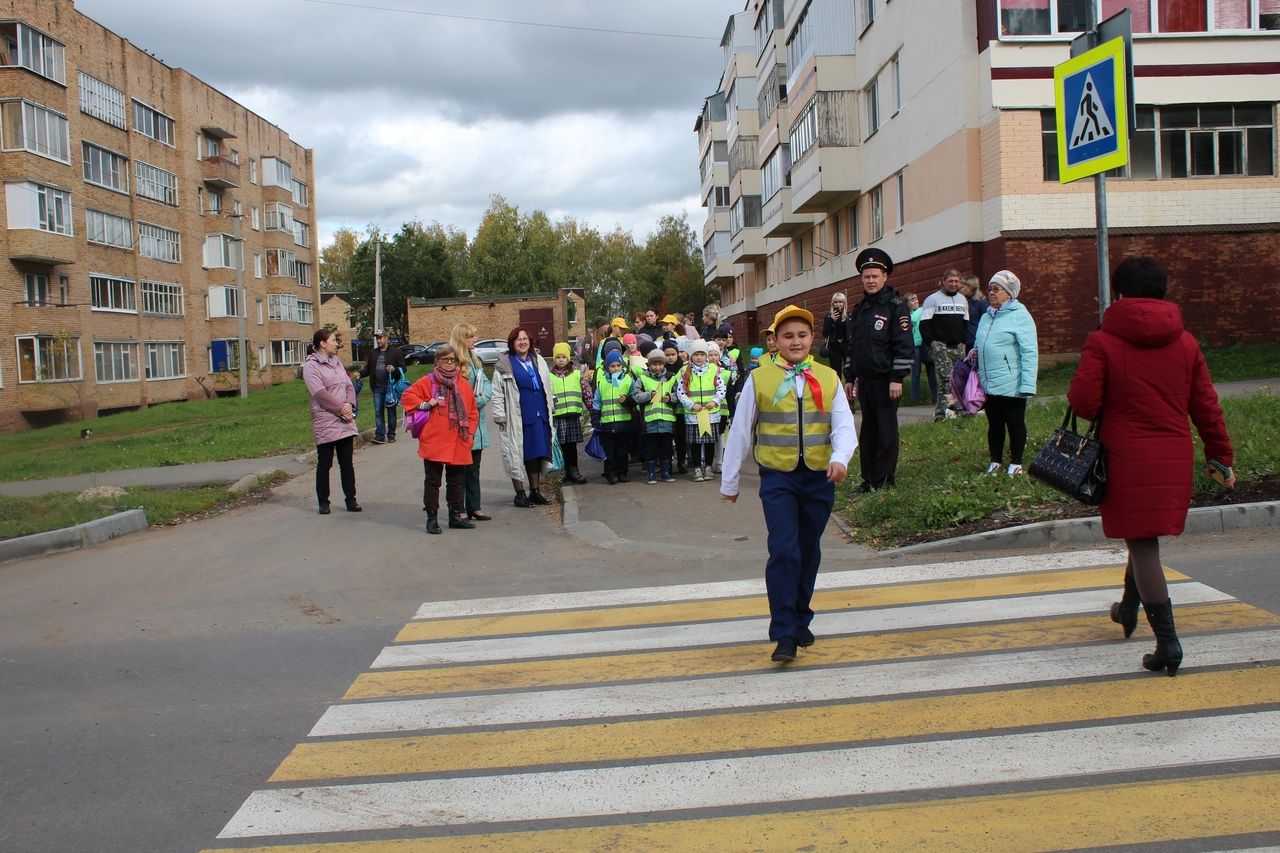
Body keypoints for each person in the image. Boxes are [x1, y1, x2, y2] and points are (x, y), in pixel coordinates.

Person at [1067, 258, 1234, 676]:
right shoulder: (1186, 343)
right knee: (1141, 537)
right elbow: (1206, 407)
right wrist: (1221, 458)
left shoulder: (1103, 341)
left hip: (1125, 455)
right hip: (1174, 452)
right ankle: (1127, 608)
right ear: (1163, 291)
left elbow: (1084, 403)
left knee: (1142, 543)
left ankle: (1168, 645)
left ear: (1120, 293)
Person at [720, 305, 856, 663]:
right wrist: (730, 481)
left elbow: (843, 425)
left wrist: (840, 458)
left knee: (808, 549)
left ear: (812, 339)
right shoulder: (760, 378)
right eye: (787, 335)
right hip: (778, 476)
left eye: (802, 335)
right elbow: (740, 429)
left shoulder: (827, 377)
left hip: (818, 476)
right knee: (784, 549)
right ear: (775, 341)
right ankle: (783, 633)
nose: (795, 341)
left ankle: (800, 617)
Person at [844, 248, 914, 492]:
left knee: (886, 431)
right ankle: (868, 479)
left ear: (885, 277)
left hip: (886, 381)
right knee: (868, 433)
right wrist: (850, 377)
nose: (870, 280)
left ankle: (885, 480)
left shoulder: (896, 308)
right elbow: (853, 346)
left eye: (875, 276)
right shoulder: (860, 309)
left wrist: (897, 378)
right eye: (866, 276)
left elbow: (904, 346)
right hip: (865, 381)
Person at [402, 344, 479, 534]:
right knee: (433, 481)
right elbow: (407, 396)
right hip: (434, 440)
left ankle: (455, 516)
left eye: (453, 360)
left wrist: (470, 434)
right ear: (437, 361)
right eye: (446, 359)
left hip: (459, 441)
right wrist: (425, 404)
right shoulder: (428, 381)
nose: (450, 363)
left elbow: (472, 412)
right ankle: (432, 518)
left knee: (455, 481)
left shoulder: (463, 384)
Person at [974, 271, 1039, 476]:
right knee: (994, 423)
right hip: (989, 381)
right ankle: (995, 461)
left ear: (1009, 294)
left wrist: (1028, 384)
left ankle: (1016, 463)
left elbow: (1029, 352)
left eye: (996, 289)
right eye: (990, 289)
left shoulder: (1020, 316)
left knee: (1015, 422)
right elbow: (980, 344)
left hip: (1012, 381)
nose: (991, 293)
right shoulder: (986, 316)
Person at [491, 327, 556, 507]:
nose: (522, 342)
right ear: (512, 343)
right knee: (517, 454)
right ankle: (519, 494)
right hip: (517, 416)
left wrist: (551, 406)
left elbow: (547, 386)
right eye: (518, 339)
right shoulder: (505, 365)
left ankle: (535, 491)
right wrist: (500, 416)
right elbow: (497, 393)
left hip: (539, 415)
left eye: (525, 339)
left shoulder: (538, 360)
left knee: (535, 453)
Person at [302, 328, 360, 515]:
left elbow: (349, 386)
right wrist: (341, 409)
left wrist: (349, 404)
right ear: (322, 343)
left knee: (347, 463)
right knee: (325, 463)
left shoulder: (337, 362)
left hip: (344, 419)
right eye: (333, 340)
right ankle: (323, 502)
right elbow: (320, 393)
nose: (336, 343)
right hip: (326, 419)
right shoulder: (311, 366)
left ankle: (351, 500)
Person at [450, 323, 493, 521]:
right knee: (460, 470)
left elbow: (486, 384)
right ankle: (457, 508)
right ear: (461, 338)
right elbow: (458, 396)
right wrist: (481, 400)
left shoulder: (474, 360)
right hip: (463, 425)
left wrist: (485, 396)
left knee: (474, 469)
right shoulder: (454, 363)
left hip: (477, 424)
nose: (475, 339)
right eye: (471, 337)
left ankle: (474, 506)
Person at [919, 268, 970, 421]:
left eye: (956, 281)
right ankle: (942, 413)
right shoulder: (932, 299)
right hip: (940, 345)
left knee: (959, 378)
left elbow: (965, 323)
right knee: (947, 378)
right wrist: (932, 343)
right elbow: (924, 324)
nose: (953, 284)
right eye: (950, 281)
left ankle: (959, 409)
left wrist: (963, 342)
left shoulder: (963, 299)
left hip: (958, 346)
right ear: (944, 281)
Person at [676, 339, 727, 482]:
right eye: (696, 354)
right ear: (691, 355)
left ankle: (708, 467)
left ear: (706, 355)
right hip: (694, 414)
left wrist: (715, 401)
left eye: (702, 354)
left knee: (710, 442)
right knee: (696, 442)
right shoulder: (684, 371)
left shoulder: (714, 370)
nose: (699, 357)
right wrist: (691, 404)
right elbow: (680, 392)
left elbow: (722, 388)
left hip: (711, 413)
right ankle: (697, 468)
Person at [631, 348, 679, 484]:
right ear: (649, 365)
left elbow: (680, 394)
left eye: (660, 364)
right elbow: (635, 396)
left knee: (666, 448)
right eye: (654, 364)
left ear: (664, 364)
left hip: (667, 420)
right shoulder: (643, 378)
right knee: (650, 449)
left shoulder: (671, 377)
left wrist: (671, 397)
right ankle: (651, 474)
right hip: (650, 420)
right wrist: (648, 395)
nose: (657, 367)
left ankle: (666, 472)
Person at [549, 342, 590, 485]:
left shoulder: (576, 375)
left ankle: (574, 471)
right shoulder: (549, 377)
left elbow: (586, 394)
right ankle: (565, 472)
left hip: (572, 415)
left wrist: (592, 410)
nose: (561, 359)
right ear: (554, 359)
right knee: (561, 446)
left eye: (563, 357)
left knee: (571, 446)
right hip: (558, 416)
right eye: (558, 357)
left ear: (568, 358)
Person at [592, 349, 634, 484]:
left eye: (618, 365)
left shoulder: (628, 380)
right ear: (607, 367)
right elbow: (597, 400)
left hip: (624, 422)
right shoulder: (602, 382)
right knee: (609, 451)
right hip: (607, 423)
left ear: (622, 366)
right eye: (612, 366)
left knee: (623, 450)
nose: (616, 369)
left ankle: (622, 472)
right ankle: (610, 473)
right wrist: (595, 415)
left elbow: (634, 397)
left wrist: (628, 400)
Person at [360, 330, 406, 443]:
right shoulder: (373, 353)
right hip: (377, 387)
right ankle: (380, 435)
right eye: (377, 338)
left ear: (386, 338)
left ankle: (391, 435)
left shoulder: (395, 352)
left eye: (380, 338)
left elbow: (403, 368)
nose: (379, 340)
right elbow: (368, 369)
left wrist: (394, 369)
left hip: (390, 388)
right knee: (378, 412)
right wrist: (360, 374)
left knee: (391, 411)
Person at [906, 292, 937, 405]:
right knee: (916, 371)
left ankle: (935, 396)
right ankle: (915, 398)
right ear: (907, 303)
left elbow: (913, 319)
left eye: (916, 299)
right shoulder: (908, 313)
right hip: (915, 345)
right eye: (912, 300)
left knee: (930, 370)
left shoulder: (920, 310)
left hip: (924, 344)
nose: (915, 302)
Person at [821, 291, 850, 384]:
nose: (838, 304)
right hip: (834, 346)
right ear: (832, 303)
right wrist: (831, 320)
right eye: (836, 302)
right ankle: (838, 392)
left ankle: (849, 394)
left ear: (844, 303)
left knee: (849, 371)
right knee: (836, 372)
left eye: (840, 302)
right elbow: (825, 333)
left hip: (847, 345)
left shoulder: (849, 316)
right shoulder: (829, 316)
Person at [961, 274, 988, 353]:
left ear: (972, 287)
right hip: (965, 341)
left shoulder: (982, 303)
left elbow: (987, 322)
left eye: (965, 286)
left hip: (976, 341)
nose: (962, 288)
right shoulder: (964, 301)